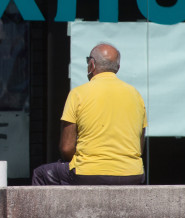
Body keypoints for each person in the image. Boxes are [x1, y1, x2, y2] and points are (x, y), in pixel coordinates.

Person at [31, 43, 147, 186]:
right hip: (133, 174)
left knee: (42, 174)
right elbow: (139, 146)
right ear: (118, 67)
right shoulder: (135, 95)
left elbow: (66, 148)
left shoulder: (78, 94)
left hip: (88, 173)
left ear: (91, 65)